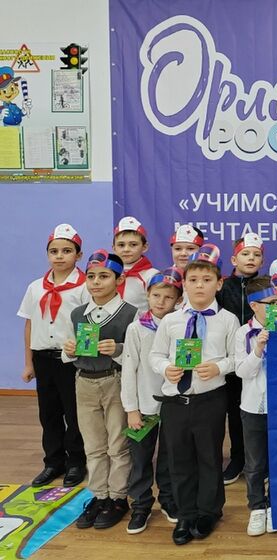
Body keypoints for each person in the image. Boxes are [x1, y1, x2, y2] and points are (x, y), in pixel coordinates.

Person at [150, 244, 240, 545]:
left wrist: (218, 367)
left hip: (209, 400)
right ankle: (186, 513)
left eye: (206, 280)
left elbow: (235, 358)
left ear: (219, 283)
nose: (199, 285)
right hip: (175, 401)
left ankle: (209, 511)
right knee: (179, 458)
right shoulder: (171, 320)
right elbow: (155, 355)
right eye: (193, 280)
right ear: (184, 284)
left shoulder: (227, 320)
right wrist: (166, 369)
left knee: (209, 457)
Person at [62, 250, 137, 530]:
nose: (96, 282)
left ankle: (118, 497)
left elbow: (137, 353)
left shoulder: (130, 313)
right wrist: (69, 350)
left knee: (117, 443)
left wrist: (118, 349)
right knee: (93, 444)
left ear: (119, 280)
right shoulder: (78, 313)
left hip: (114, 380)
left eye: (104, 276)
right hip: (84, 381)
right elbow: (69, 350)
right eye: (91, 276)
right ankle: (99, 494)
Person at [19, 223, 89, 488]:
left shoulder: (84, 287)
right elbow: (29, 325)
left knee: (74, 413)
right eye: (54, 251)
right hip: (42, 358)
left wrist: (83, 354)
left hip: (70, 360)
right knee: (48, 413)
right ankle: (53, 461)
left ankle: (76, 461)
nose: (60, 256)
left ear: (78, 255)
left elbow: (89, 325)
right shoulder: (35, 287)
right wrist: (29, 363)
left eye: (67, 251)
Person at [122, 269, 182, 534]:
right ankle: (141, 505)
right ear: (147, 295)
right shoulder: (136, 328)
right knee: (141, 458)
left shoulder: (181, 325)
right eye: (156, 295)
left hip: (173, 404)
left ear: (178, 300)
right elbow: (129, 369)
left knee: (170, 457)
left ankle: (168, 499)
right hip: (144, 406)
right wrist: (131, 409)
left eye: (168, 297)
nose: (161, 301)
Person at [234, 277, 277, 536]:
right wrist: (258, 349)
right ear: (254, 306)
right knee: (255, 463)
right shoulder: (243, 333)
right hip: (253, 408)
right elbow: (242, 372)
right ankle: (257, 506)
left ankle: (276, 506)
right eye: (271, 304)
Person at [216, 232, 265, 485]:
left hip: (261, 357)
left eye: (256, 255)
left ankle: (261, 462)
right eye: (245, 254)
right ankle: (237, 458)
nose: (251, 258)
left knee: (260, 412)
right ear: (234, 259)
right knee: (235, 412)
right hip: (233, 357)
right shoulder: (223, 287)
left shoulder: (266, 285)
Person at [112, 216, 156, 310]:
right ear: (114, 248)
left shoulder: (152, 276)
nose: (126, 249)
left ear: (145, 247)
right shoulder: (107, 274)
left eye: (133, 245)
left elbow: (158, 310)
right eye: (121, 245)